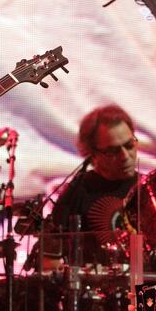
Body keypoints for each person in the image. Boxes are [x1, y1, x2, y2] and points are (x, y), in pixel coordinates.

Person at [47, 104, 139, 265]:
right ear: (93, 154)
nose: (125, 156)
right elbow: (48, 257)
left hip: (147, 287)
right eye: (113, 151)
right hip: (95, 288)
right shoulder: (77, 192)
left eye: (129, 145)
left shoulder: (150, 189)